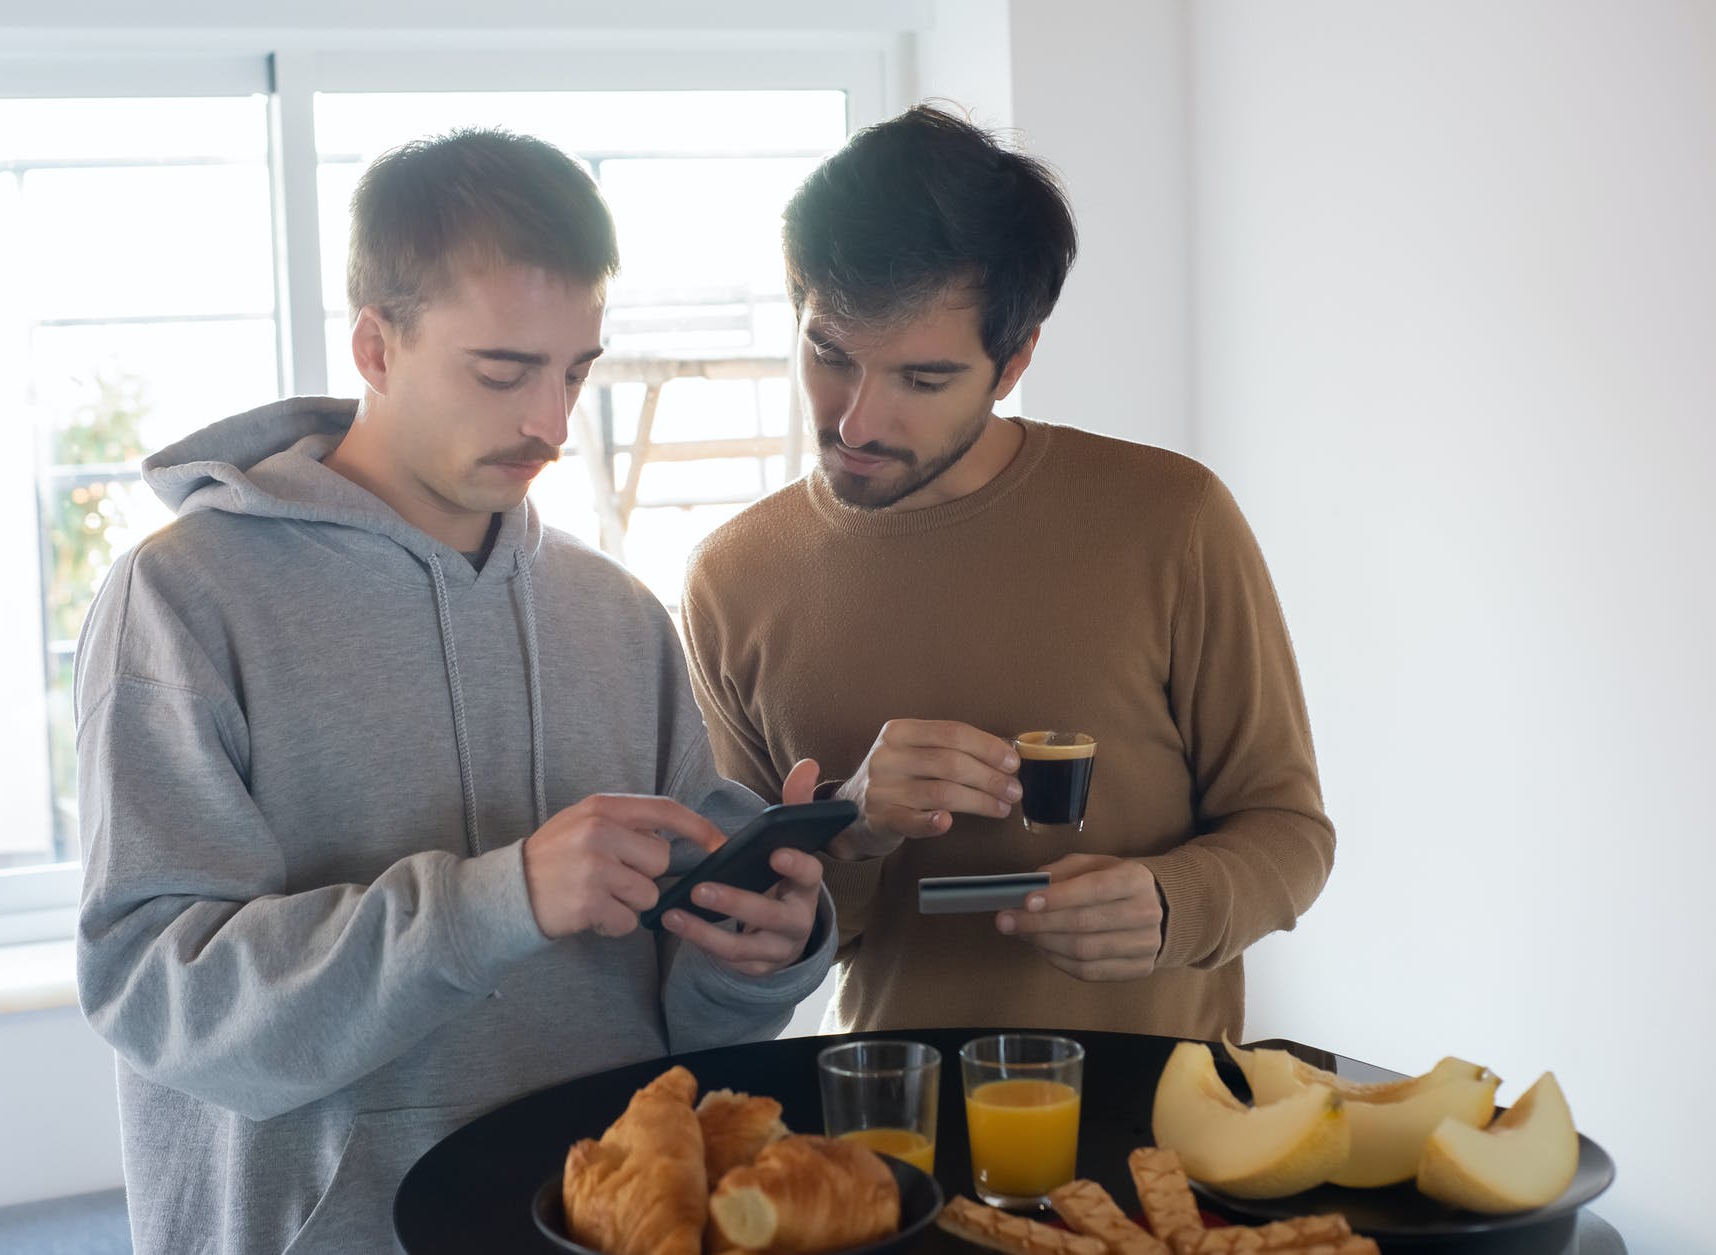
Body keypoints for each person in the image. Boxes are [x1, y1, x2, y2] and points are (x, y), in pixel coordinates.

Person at [73, 128, 834, 1255]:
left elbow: (677, 1016)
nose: (551, 421)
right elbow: (160, 999)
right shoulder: (182, 597)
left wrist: (766, 947)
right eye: (502, 370)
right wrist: (498, 899)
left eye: (574, 370)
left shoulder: (618, 616)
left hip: (602, 1225)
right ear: (375, 346)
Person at [681, 105, 1332, 1043]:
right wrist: (854, 825)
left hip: (1157, 1128)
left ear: (1015, 358)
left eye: (921, 379)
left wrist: (1171, 902)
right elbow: (748, 929)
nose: (857, 421)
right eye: (829, 356)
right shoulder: (733, 576)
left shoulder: (1172, 517)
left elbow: (1290, 830)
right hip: (883, 1133)